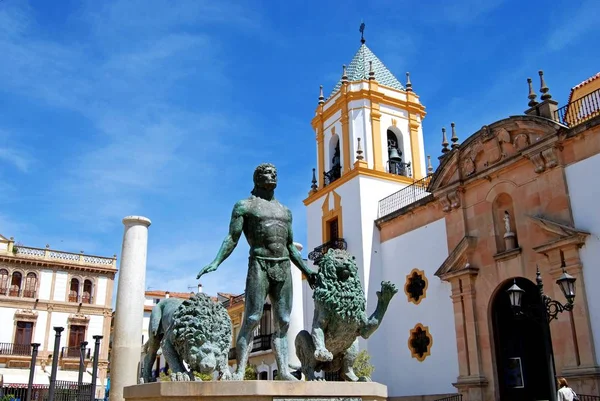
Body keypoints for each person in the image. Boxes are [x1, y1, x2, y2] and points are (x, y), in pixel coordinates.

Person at [197, 163, 317, 381]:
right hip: (259, 264)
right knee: (252, 317)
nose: (272, 176)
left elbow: (290, 246)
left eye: (274, 173)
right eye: (266, 173)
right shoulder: (244, 206)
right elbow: (232, 238)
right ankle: (241, 371)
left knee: (283, 319)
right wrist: (216, 261)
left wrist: (307, 271)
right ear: (257, 179)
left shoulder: (285, 211)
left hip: (282, 265)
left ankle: (282, 371)